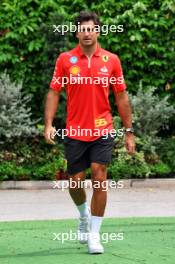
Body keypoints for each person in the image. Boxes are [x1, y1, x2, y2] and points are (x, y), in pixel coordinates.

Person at [44, 11, 135, 254]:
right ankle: (84, 214)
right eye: (82, 29)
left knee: (99, 176)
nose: (87, 33)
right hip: (75, 130)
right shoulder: (65, 60)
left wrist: (129, 131)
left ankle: (94, 235)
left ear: (98, 31)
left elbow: (121, 96)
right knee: (75, 181)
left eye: (91, 29)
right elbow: (54, 92)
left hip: (102, 128)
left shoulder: (111, 60)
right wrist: (49, 123)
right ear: (76, 33)